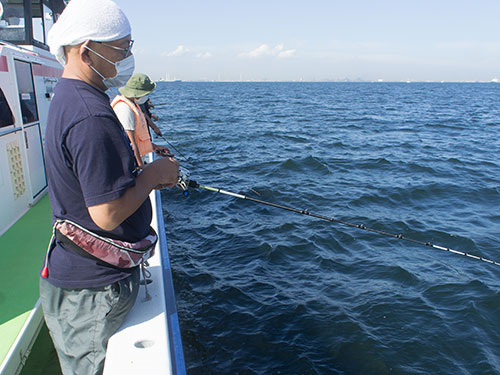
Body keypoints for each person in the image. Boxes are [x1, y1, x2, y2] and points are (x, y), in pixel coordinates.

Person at [39, 0, 179, 374]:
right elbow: (106, 213)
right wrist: (154, 174)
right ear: (87, 50)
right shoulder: (90, 114)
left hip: (78, 276)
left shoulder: (69, 97)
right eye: (122, 48)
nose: (128, 56)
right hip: (95, 290)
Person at [112, 73, 168, 168]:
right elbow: (131, 144)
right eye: (146, 94)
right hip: (129, 166)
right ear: (137, 94)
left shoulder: (133, 104)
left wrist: (155, 147)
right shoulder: (124, 109)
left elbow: (138, 141)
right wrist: (141, 168)